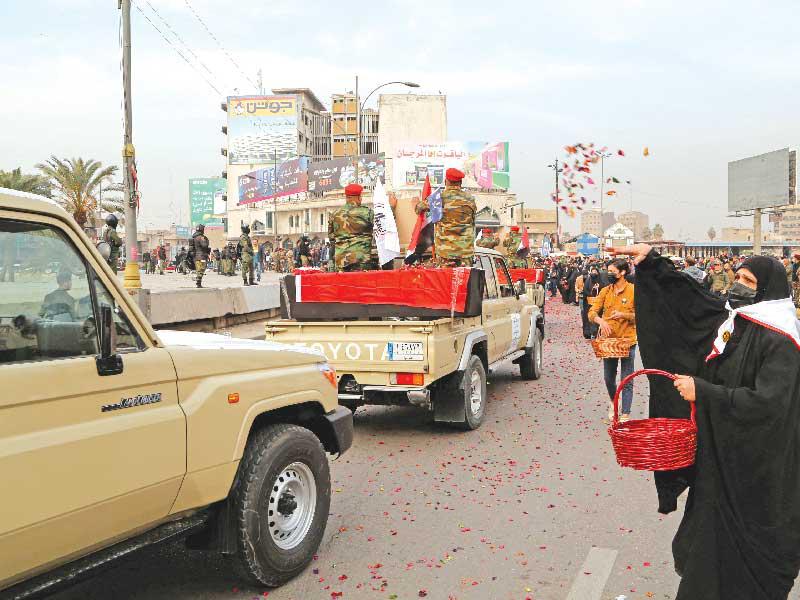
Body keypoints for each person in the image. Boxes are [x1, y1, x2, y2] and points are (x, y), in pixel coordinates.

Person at [613, 243, 800, 600]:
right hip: (720, 464)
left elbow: (768, 404)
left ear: (767, 289)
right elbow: (690, 303)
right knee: (705, 563)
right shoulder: (738, 323)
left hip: (757, 478)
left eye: (748, 279)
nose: (738, 284)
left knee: (750, 572)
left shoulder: (781, 341)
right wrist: (652, 264)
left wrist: (704, 392)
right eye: (738, 276)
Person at [587, 258, 637, 422]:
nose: (608, 274)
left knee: (626, 379)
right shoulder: (605, 291)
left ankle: (625, 413)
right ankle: (613, 401)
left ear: (622, 272)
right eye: (607, 271)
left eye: (612, 272)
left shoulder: (633, 291)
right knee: (609, 378)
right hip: (609, 342)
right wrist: (600, 321)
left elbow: (642, 316)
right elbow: (592, 312)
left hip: (628, 340)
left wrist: (624, 315)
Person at [415, 168, 476, 267]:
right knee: (464, 281)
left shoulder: (438, 198)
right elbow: (472, 221)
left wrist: (418, 204)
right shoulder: (470, 199)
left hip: (445, 253)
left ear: (446, 181)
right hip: (465, 252)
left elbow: (418, 209)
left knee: (446, 281)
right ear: (460, 182)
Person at [328, 183, 374, 271]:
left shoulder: (334, 215)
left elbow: (332, 239)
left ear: (347, 197)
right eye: (361, 196)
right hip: (362, 260)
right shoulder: (368, 213)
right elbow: (381, 230)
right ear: (358, 197)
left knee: (344, 284)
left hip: (341, 261)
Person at [581, 264, 607, 339]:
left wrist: (599, 288)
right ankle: (589, 333)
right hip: (589, 303)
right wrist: (590, 293)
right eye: (592, 272)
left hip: (598, 303)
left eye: (595, 272)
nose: (594, 273)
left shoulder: (600, 280)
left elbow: (603, 288)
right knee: (589, 318)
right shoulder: (588, 280)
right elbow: (585, 290)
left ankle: (596, 333)